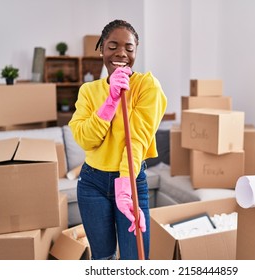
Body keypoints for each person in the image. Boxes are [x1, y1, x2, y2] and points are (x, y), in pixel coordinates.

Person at [69, 19, 167, 260]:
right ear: (101, 48)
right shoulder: (89, 91)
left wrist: (125, 184)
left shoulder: (147, 86)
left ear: (136, 51)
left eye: (129, 48)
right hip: (92, 183)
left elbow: (138, 138)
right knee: (103, 259)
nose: (121, 53)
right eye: (112, 46)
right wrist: (110, 102)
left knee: (135, 261)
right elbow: (85, 139)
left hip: (131, 181)